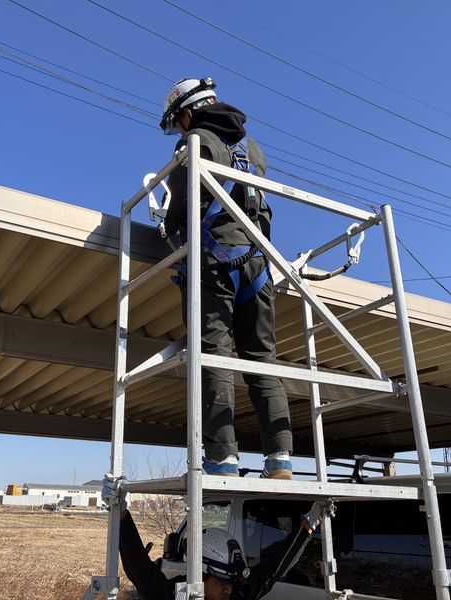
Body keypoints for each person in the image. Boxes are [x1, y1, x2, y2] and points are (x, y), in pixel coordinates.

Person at [159, 77, 292, 479]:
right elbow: (262, 210)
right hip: (257, 264)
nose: (180, 130)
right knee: (262, 360)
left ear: (187, 112)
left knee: (214, 356)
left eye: (179, 122)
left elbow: (181, 205)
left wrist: (168, 226)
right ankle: (281, 460)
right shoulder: (253, 150)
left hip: (214, 262)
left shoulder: (194, 141)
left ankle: (222, 459)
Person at [113, 483, 324, 600]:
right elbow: (140, 568)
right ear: (200, 574)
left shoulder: (237, 596)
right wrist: (120, 511)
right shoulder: (172, 595)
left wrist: (309, 525)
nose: (229, 589)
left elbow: (275, 567)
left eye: (231, 582)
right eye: (223, 582)